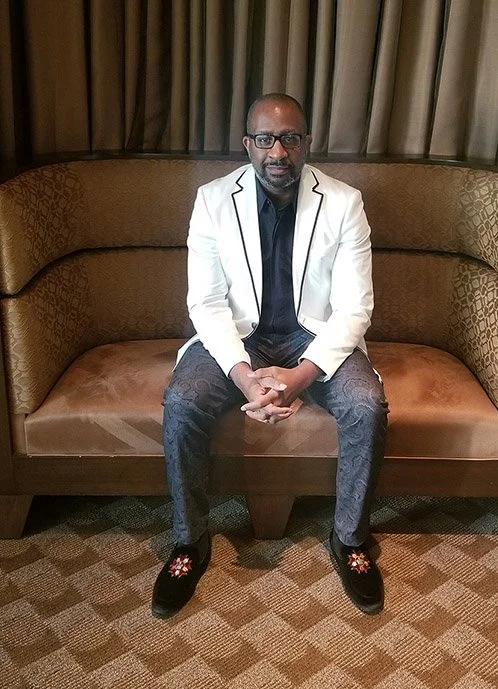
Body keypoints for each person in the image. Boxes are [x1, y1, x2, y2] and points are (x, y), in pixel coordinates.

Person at [151, 93, 389, 619]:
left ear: (307, 143)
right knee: (183, 401)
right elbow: (206, 303)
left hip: (314, 338)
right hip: (239, 338)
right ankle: (189, 540)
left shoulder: (344, 203)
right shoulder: (213, 200)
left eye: (289, 139)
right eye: (265, 139)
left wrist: (300, 377)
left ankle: (350, 537)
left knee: (366, 405)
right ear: (247, 144)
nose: (277, 152)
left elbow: (355, 308)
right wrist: (244, 377)